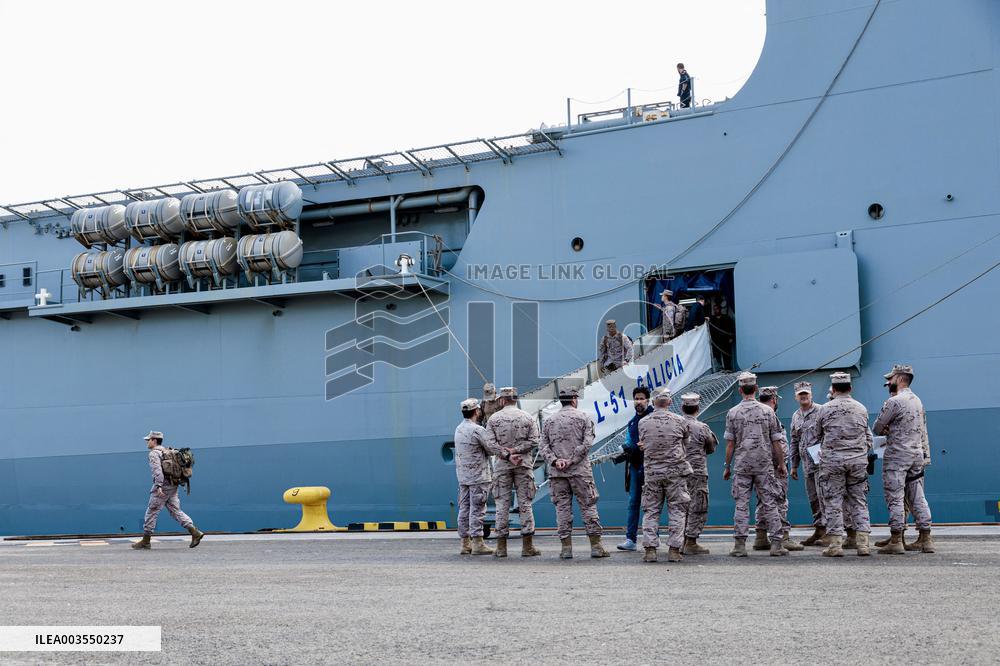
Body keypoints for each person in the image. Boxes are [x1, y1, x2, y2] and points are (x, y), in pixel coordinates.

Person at [722, 372, 789, 557]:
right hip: (764, 465)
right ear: (756, 388)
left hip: (742, 465)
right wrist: (782, 463)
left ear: (740, 389)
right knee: (770, 503)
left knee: (741, 504)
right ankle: (776, 544)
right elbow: (776, 441)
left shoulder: (733, 412)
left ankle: (740, 546)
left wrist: (727, 466)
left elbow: (730, 444)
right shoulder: (768, 411)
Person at [539, 387, 609, 559]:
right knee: (588, 506)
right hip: (580, 472)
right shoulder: (584, 418)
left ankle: (566, 548)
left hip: (557, 473)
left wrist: (555, 460)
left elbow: (543, 446)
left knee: (562, 509)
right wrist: (572, 460)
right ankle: (596, 547)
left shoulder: (549, 421)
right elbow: (587, 443)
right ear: (574, 399)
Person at [874, 364, 934, 554]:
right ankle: (925, 538)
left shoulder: (894, 402)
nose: (889, 382)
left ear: (900, 379)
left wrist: (887, 429)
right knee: (918, 496)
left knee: (895, 497)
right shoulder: (917, 400)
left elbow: (877, 427)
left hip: (897, 456)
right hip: (916, 455)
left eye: (891, 378)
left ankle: (896, 540)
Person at [813, 372, 873, 557]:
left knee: (833, 502)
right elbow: (868, 438)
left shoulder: (824, 409)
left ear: (833, 389)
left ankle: (835, 545)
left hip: (833, 463)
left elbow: (816, 435)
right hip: (857, 462)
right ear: (850, 388)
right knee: (859, 501)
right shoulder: (861, 408)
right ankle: (863, 545)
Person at [484, 386, 541, 557]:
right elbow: (534, 440)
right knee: (525, 503)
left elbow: (489, 443)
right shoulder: (527, 417)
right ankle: (527, 547)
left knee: (502, 504)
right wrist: (516, 451)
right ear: (516, 399)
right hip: (523, 464)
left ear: (501, 400)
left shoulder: (493, 419)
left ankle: (501, 549)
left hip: (502, 466)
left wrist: (507, 454)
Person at [637, 387, 692, 562]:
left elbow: (644, 443)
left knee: (651, 510)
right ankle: (674, 551)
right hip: (675, 474)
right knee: (677, 510)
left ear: (653, 402)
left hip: (652, 473)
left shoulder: (643, 422)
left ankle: (650, 550)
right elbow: (686, 443)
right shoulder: (680, 421)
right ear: (669, 402)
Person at [132, 431, 204, 550]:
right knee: (176, 511)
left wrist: (158, 486)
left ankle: (146, 541)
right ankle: (195, 532)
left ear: (154, 440)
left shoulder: (154, 454)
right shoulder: (167, 451)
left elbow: (157, 471)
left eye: (148, 440)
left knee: (152, 511)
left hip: (163, 487)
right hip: (173, 485)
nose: (147, 442)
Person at [753, 387, 803, 552]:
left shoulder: (755, 417)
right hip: (774, 467)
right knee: (780, 500)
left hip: (759, 466)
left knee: (762, 501)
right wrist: (781, 464)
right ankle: (783, 537)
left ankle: (760, 537)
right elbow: (778, 445)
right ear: (774, 400)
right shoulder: (771, 417)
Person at [454, 398, 502, 555]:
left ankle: (464, 543)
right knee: (478, 509)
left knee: (464, 508)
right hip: (479, 477)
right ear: (476, 411)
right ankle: (478, 543)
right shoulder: (477, 430)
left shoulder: (458, 429)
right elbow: (491, 450)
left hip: (463, 477)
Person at [789, 382, 829, 546]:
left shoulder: (821, 411)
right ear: (796, 397)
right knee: (813, 498)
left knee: (824, 496)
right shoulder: (796, 416)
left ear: (811, 395)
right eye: (800, 394)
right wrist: (794, 465)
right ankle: (819, 529)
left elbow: (829, 434)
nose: (803, 396)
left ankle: (830, 531)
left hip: (822, 463)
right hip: (807, 465)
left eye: (806, 393)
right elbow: (794, 441)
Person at [680, 393, 717, 555]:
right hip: (698, 473)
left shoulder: (676, 425)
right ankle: (691, 542)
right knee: (698, 505)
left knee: (680, 507)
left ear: (682, 408)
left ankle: (678, 541)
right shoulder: (702, 428)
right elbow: (711, 448)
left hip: (679, 472)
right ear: (698, 408)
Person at [617, 386, 654, 552]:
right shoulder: (632, 422)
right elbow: (630, 441)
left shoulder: (655, 418)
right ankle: (630, 539)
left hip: (653, 467)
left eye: (641, 398)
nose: (638, 401)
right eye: (636, 398)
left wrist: (648, 446)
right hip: (636, 467)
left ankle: (652, 537)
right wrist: (627, 447)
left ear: (648, 400)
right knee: (633, 502)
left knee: (653, 504)